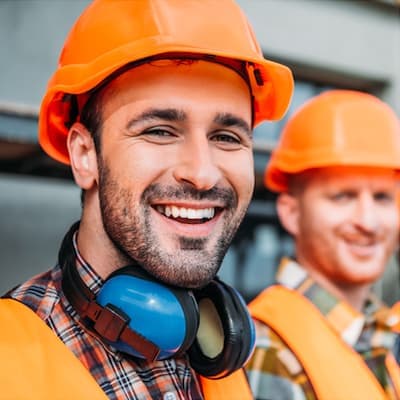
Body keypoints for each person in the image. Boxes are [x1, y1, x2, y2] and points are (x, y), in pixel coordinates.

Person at [0, 1, 294, 399]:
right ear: (85, 155)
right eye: (159, 131)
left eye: (226, 137)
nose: (203, 173)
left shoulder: (215, 350)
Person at [245, 90, 400, 400]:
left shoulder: (378, 336)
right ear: (291, 212)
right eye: (342, 196)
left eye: (382, 197)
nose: (367, 222)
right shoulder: (269, 348)